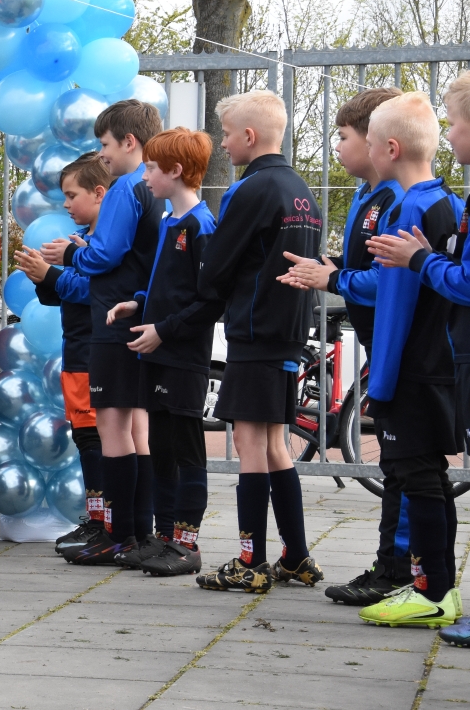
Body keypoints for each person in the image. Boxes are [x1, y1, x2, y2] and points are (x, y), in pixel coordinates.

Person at [279, 88, 409, 604]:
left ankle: (403, 569)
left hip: (404, 350)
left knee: (408, 467)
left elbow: (392, 279)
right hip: (381, 346)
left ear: (380, 143)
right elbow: (360, 267)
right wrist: (330, 267)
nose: (336, 145)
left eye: (343, 136)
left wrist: (332, 279)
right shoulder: (365, 196)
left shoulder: (399, 199)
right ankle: (392, 565)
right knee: (397, 465)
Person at [194, 89, 323, 593]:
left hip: (254, 330)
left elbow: (216, 267)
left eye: (227, 134)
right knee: (273, 445)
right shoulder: (301, 190)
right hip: (287, 332)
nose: (224, 143)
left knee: (249, 443)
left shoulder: (249, 189)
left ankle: (251, 562)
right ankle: (295, 555)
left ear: (249, 136)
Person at [364, 74, 470, 642]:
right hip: (439, 364)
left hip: (413, 367)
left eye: (457, 123)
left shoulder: (409, 206)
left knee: (418, 476)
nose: (451, 133)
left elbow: (396, 307)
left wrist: (379, 382)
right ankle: (440, 590)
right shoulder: (447, 201)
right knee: (428, 474)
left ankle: (431, 592)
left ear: (389, 149)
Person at [44, 100, 164, 566]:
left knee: (112, 430)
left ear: (129, 142)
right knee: (137, 431)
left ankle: (117, 534)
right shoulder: (153, 187)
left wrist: (71, 255)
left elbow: (106, 254)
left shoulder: (125, 188)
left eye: (106, 144)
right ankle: (139, 531)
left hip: (112, 324)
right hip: (138, 317)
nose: (102, 154)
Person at [105, 127, 216, 576]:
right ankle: (165, 536)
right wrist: (138, 303)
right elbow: (168, 285)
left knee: (187, 450)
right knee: (162, 447)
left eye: (151, 168)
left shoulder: (202, 225)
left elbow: (208, 300)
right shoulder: (170, 221)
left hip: (182, 357)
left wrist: (164, 331)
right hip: (158, 353)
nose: (146, 175)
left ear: (175, 170)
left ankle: (187, 544)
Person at [14, 153, 108, 556]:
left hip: (95, 356)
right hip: (77, 353)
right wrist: (43, 276)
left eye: (72, 195)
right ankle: (97, 518)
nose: (66, 204)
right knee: (86, 438)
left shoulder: (106, 245)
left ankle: (107, 523)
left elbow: (98, 293)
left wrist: (52, 274)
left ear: (99, 194)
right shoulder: (81, 239)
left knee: (97, 441)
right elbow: (61, 296)